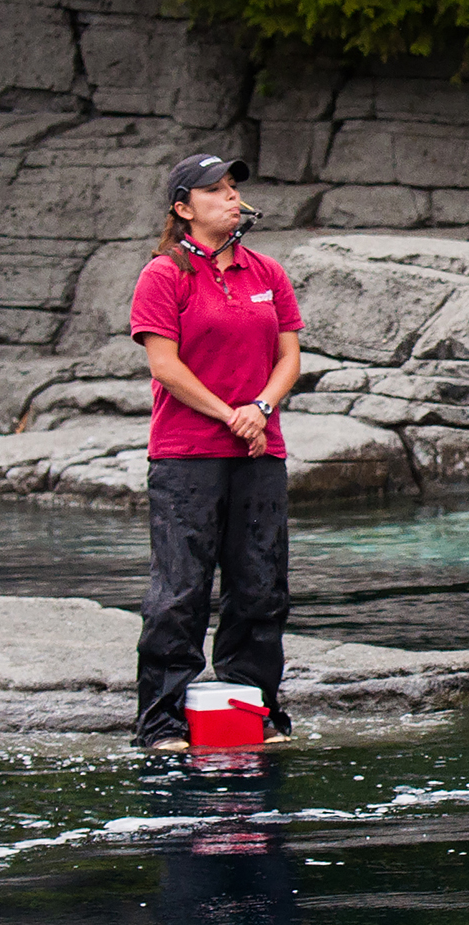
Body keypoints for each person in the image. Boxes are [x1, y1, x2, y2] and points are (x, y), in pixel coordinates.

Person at [128, 153, 302, 750]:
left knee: (260, 586)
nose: (231, 197)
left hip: (261, 448)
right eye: (216, 190)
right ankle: (161, 720)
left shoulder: (267, 272)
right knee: (181, 589)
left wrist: (261, 410)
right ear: (184, 208)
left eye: (233, 189)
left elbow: (289, 358)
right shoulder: (164, 274)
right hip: (186, 453)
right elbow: (163, 366)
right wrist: (231, 414)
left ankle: (253, 706)